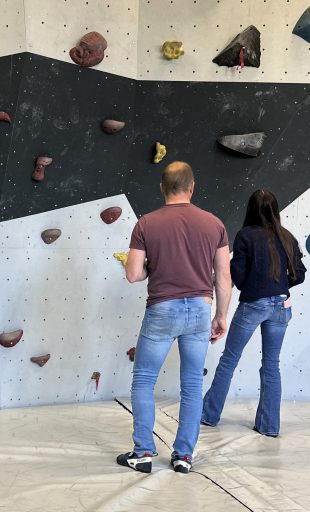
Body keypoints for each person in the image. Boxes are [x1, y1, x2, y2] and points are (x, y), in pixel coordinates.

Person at [116, 161, 232, 474]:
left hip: (162, 310)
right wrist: (221, 316)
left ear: (162, 187)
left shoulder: (146, 224)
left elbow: (133, 274)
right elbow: (223, 275)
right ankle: (183, 456)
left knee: (143, 381)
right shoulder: (214, 224)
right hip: (198, 309)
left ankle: (142, 453)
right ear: (192, 187)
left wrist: (152, 267)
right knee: (192, 385)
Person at [201, 188, 306, 437]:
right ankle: (269, 426)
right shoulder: (288, 237)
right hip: (282, 306)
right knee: (271, 365)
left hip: (254, 305)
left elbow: (236, 274)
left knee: (229, 360)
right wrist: (278, 288)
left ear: (250, 209)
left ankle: (208, 415)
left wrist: (255, 286)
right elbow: (299, 274)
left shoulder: (245, 235)